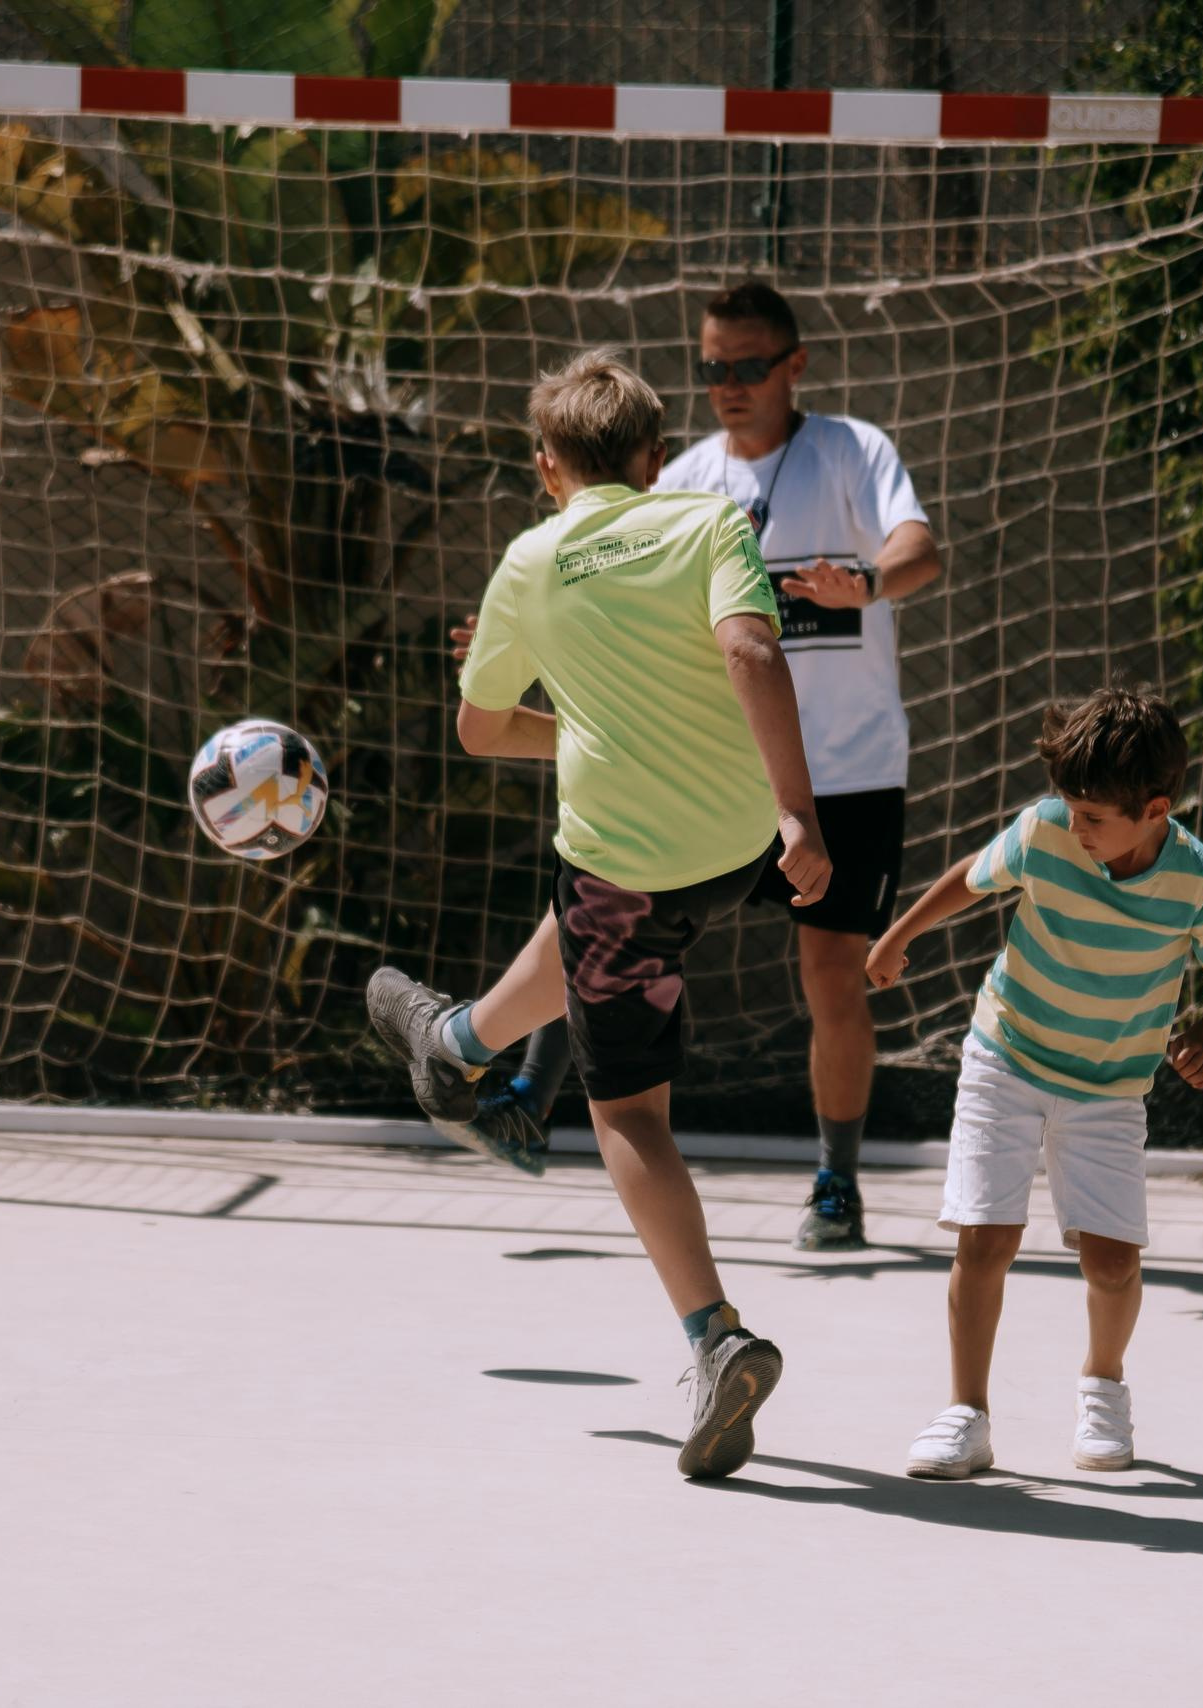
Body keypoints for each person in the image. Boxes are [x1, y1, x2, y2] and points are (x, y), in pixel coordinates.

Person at [365, 348, 832, 1480]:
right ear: (652, 456)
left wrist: (560, 715)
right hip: (734, 848)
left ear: (545, 469)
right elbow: (748, 648)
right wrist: (797, 816)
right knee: (585, 921)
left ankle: (716, 1339)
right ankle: (461, 1043)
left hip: (624, 867)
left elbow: (480, 732)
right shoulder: (708, 520)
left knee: (629, 1116)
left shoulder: (527, 562)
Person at [468, 281, 944, 1251]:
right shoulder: (681, 478)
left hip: (837, 773)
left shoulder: (852, 451)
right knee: (597, 907)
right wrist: (524, 632)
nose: (727, 385)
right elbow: (598, 583)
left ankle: (835, 1180)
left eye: (746, 366)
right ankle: (527, 1088)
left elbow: (919, 550)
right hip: (713, 770)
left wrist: (868, 584)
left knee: (829, 974)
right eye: (710, 368)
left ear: (793, 365)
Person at [865, 687, 1203, 1478]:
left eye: (1094, 818)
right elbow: (970, 878)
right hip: (1006, 1054)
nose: (1076, 829)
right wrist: (899, 933)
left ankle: (1103, 1386)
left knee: (1112, 1263)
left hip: (1110, 1089)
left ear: (1154, 809)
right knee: (985, 1241)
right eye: (1071, 809)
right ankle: (966, 1413)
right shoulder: (1045, 830)